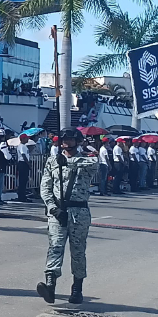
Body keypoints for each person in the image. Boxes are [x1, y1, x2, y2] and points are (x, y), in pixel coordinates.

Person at [37, 128, 96, 306]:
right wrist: (53, 208)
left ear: (77, 141)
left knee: (78, 252)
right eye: (63, 139)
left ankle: (77, 289)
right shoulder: (52, 161)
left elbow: (93, 165)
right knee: (55, 247)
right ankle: (50, 285)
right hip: (58, 212)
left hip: (79, 213)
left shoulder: (87, 159)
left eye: (70, 139)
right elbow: (45, 187)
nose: (65, 142)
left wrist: (67, 163)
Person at [14, 131, 33, 202]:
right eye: (26, 138)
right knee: (22, 180)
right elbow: (24, 156)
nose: (27, 140)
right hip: (22, 163)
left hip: (24, 163)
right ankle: (21, 196)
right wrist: (28, 164)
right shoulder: (21, 146)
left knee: (25, 180)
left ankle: (23, 195)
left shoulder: (25, 146)